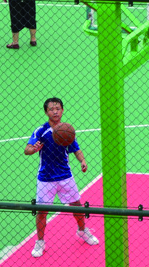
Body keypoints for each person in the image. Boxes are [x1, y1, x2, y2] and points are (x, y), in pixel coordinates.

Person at [24, 97, 98, 258]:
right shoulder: (41, 131)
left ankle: (82, 231)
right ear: (46, 112)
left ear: (62, 110)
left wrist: (83, 161)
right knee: (42, 212)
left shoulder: (66, 130)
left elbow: (76, 149)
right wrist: (34, 149)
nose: (55, 111)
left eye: (58, 108)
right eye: (51, 109)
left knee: (77, 205)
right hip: (46, 178)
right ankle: (40, 241)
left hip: (65, 176)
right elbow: (27, 149)